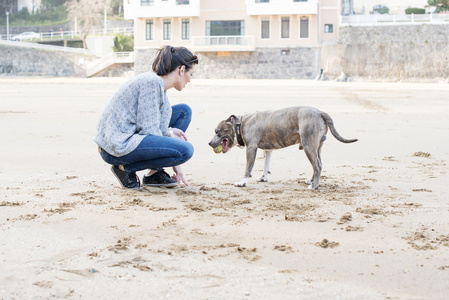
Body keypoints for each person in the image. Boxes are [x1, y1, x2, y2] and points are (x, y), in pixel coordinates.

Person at [94, 45, 198, 190]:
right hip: (115, 147)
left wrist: (168, 132)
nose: (190, 80)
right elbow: (149, 131)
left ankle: (154, 174)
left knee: (183, 112)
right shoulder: (151, 83)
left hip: (127, 135)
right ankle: (124, 168)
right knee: (185, 150)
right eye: (190, 74)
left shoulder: (159, 85)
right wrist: (176, 164)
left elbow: (155, 126)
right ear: (181, 70)